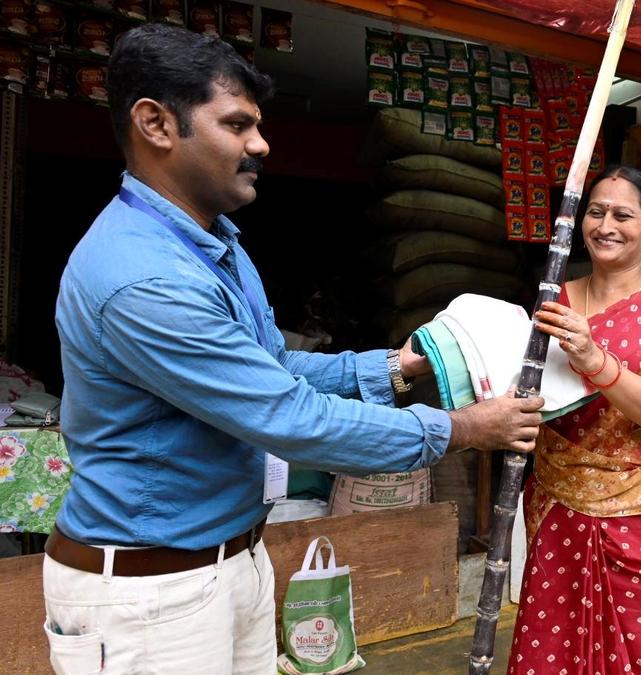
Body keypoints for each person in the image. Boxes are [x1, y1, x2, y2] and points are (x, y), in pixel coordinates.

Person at [44, 24, 543, 675]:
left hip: (229, 561)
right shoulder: (145, 278)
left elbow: (270, 368)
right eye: (237, 124)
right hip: (150, 597)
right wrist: (464, 428)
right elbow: (291, 419)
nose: (260, 144)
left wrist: (395, 367)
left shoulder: (214, 245)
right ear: (156, 124)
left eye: (258, 125)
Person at [506, 165, 641, 675]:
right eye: (596, 212)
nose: (606, 226)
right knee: (553, 645)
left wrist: (593, 359)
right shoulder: (553, 300)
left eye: (623, 216)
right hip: (559, 502)